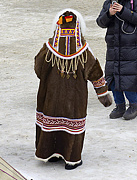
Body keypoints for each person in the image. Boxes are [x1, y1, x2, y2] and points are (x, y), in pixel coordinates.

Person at [36, 9, 113, 170]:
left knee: (51, 122)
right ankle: (72, 159)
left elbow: (38, 69)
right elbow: (95, 73)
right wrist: (103, 94)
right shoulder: (83, 51)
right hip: (75, 100)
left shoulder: (49, 49)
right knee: (71, 126)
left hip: (51, 98)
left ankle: (50, 153)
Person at [96, 0, 137, 120]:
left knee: (128, 79)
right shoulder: (108, 3)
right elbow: (100, 22)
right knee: (114, 79)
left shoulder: (134, 0)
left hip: (131, 48)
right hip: (113, 48)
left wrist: (123, 11)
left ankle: (134, 106)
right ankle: (119, 106)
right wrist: (109, 14)